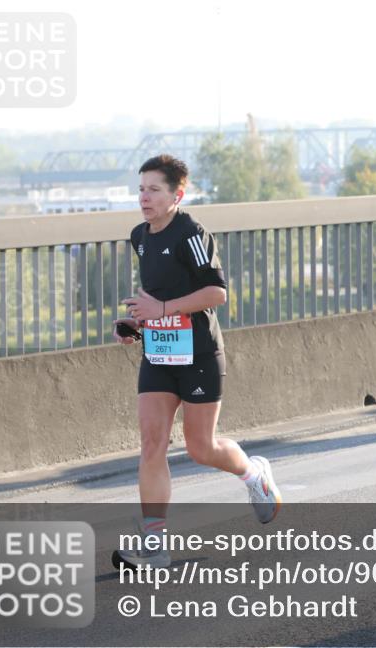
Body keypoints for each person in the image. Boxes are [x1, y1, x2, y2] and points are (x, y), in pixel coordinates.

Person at [112, 155, 282, 568]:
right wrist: (136, 321)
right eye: (141, 189)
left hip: (199, 354)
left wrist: (163, 306)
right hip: (158, 352)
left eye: (154, 189)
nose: (144, 197)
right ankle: (155, 546)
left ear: (177, 195)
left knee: (200, 448)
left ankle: (252, 473)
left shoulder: (190, 231)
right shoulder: (140, 237)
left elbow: (216, 293)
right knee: (151, 443)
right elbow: (156, 298)